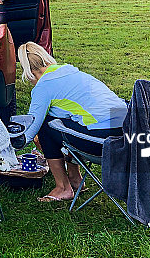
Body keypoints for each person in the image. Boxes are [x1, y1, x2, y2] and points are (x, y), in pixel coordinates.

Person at [18, 42, 128, 202]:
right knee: (67, 122)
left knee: (46, 127)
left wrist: (7, 146)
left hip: (104, 143)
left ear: (29, 72)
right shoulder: (70, 72)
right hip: (127, 133)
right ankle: (75, 179)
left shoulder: (44, 86)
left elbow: (31, 128)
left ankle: (63, 188)